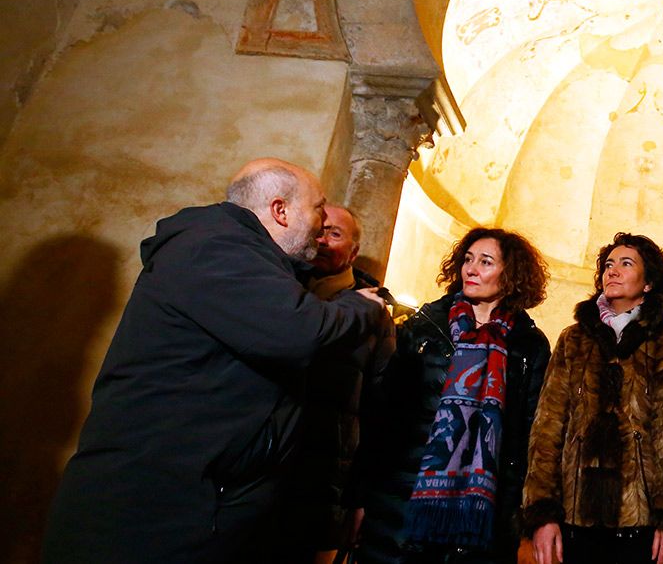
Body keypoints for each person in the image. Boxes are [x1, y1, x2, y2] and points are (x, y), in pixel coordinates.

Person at [43, 158, 392, 564]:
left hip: (194, 512)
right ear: (280, 211)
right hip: (149, 516)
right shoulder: (215, 247)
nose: (321, 225)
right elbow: (298, 331)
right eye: (317, 209)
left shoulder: (247, 256)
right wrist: (361, 305)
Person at [353, 227, 551, 564]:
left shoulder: (529, 345)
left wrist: (520, 512)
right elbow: (383, 413)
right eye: (468, 259)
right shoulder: (427, 326)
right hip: (401, 501)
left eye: (486, 262)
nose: (471, 269)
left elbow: (529, 435)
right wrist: (358, 496)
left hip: (483, 516)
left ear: (511, 275)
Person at [521, 233, 663, 564]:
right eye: (608, 264)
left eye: (626, 263)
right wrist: (542, 514)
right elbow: (547, 428)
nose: (613, 271)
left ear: (648, 282)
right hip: (575, 520)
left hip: (646, 522)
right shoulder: (574, 339)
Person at [272, 204, 397, 564]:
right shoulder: (277, 292)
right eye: (319, 231)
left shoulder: (373, 315)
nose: (323, 241)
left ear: (354, 252)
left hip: (322, 480)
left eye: (335, 234)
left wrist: (360, 496)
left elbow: (380, 408)